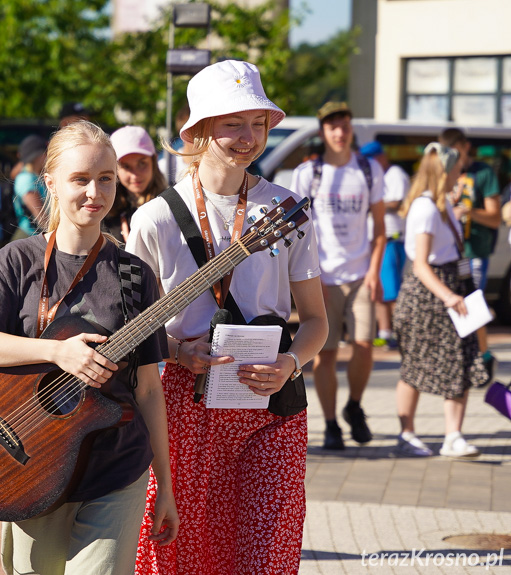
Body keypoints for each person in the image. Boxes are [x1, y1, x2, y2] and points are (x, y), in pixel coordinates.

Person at [0, 120, 178, 575]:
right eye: (81, 179)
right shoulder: (17, 261)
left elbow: (150, 390)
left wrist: (165, 487)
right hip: (32, 464)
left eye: (106, 178)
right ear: (51, 182)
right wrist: (56, 353)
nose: (95, 192)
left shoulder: (135, 277)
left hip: (117, 470)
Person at [128, 60, 328, 574]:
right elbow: (133, 328)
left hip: (269, 405)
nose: (248, 136)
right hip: (180, 404)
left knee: (265, 554)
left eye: (257, 123)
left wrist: (290, 364)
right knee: (177, 551)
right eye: (232, 123)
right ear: (197, 130)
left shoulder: (287, 209)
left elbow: (315, 321)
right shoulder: (153, 218)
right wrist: (177, 351)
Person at [290, 101, 386, 450]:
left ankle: (355, 406)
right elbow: (299, 230)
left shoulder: (368, 169)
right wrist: (307, 277)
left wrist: (375, 271)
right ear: (323, 132)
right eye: (332, 126)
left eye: (344, 124)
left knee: (364, 345)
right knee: (325, 353)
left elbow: (379, 228)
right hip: (321, 275)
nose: (340, 131)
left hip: (360, 272)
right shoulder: (308, 173)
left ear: (350, 128)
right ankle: (330, 423)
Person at [393, 142, 489, 458]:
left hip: (450, 286)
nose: (462, 174)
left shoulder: (441, 203)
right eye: (458, 168)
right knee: (415, 366)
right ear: (445, 171)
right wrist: (449, 296)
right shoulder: (425, 207)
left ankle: (453, 435)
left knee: (461, 360)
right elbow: (421, 264)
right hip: (431, 294)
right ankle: (407, 434)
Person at [439, 127, 501, 378]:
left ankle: (481, 357)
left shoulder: (483, 173)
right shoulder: (443, 173)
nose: (453, 160)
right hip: (447, 254)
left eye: (456, 153)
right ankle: (465, 357)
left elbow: (495, 217)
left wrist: (467, 212)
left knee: (472, 301)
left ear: (466, 146)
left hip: (474, 251)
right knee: (454, 303)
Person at [360, 140, 411, 349]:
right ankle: (385, 332)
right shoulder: (373, 175)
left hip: (392, 238)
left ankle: (401, 334)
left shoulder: (395, 174)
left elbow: (397, 203)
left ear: (381, 157)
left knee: (393, 292)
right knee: (379, 289)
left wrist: (371, 205)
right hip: (376, 239)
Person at [102, 125, 167, 243]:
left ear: (154, 161)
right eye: (126, 166)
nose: (135, 175)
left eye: (142, 163)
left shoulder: (170, 205)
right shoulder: (103, 212)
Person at [11, 134, 47, 240]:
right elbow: (39, 215)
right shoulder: (26, 179)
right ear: (37, 156)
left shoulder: (35, 176)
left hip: (35, 235)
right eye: (45, 153)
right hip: (29, 236)